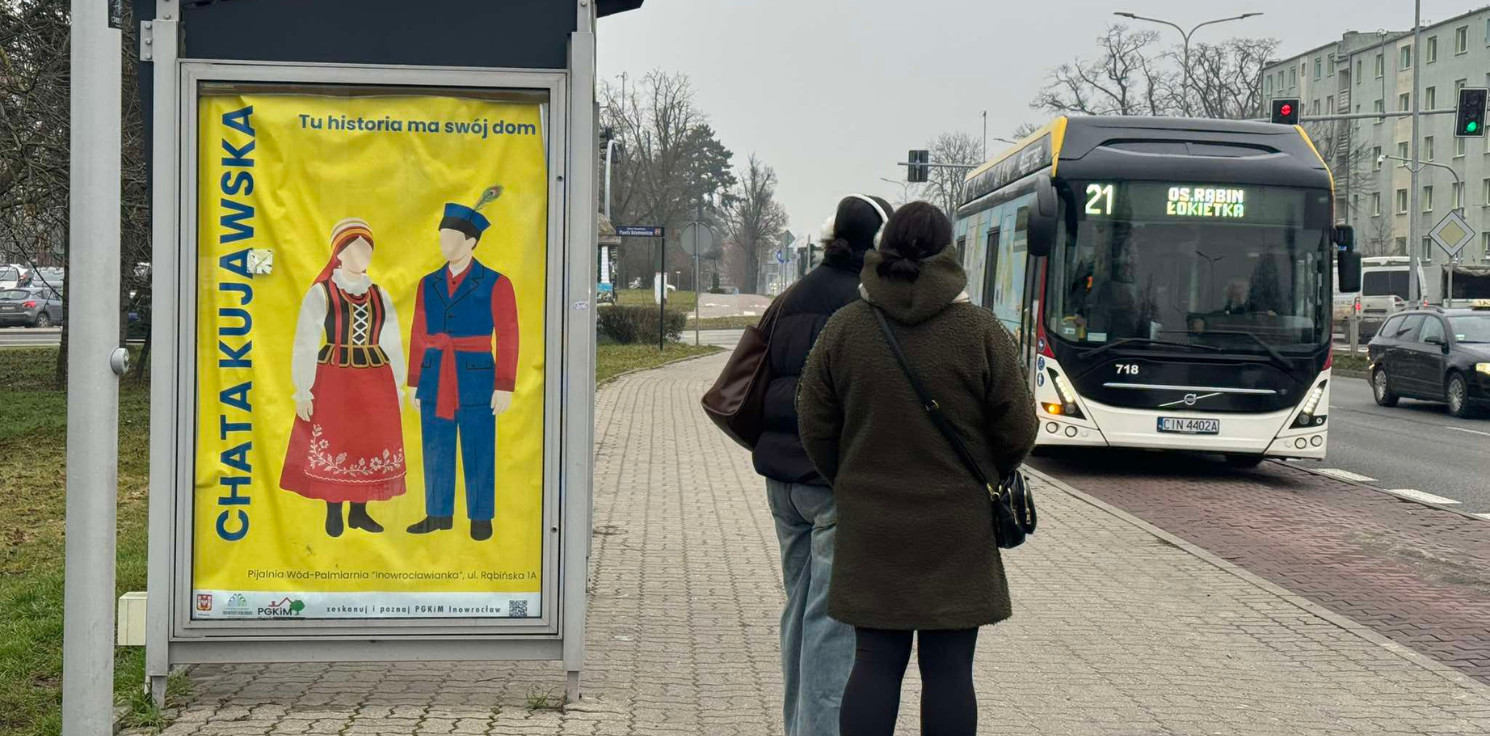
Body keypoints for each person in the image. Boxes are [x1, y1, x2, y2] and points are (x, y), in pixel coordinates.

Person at [797, 201, 1038, 736]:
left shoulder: (846, 329)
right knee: (950, 670)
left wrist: (852, 477)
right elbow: (1019, 428)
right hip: (957, 528)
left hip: (872, 526)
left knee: (874, 663)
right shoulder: (980, 331)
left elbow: (813, 424)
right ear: (947, 253)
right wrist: (986, 475)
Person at [755, 194, 893, 736]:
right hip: (828, 479)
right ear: (876, 243)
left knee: (799, 609)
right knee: (831, 621)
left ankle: (797, 726)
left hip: (781, 480)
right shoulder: (861, 305)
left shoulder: (793, 294)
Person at [280, 218, 408, 538]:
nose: (364, 254)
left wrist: (400, 384)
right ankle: (334, 511)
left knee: (368, 443)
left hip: (375, 378)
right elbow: (306, 341)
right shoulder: (322, 293)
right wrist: (303, 390)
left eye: (368, 248)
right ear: (339, 252)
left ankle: (359, 513)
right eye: (356, 247)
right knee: (337, 440)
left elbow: (392, 340)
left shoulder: (379, 293)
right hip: (335, 378)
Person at [406, 186, 520, 542]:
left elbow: (509, 335)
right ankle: (438, 513)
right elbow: (418, 332)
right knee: (436, 444)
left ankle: (480, 517)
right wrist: (413, 380)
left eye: (451, 237)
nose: (444, 244)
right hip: (435, 374)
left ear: (471, 242)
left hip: (476, 377)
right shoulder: (428, 284)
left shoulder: (495, 283)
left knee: (478, 445)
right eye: (441, 236)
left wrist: (504, 384)